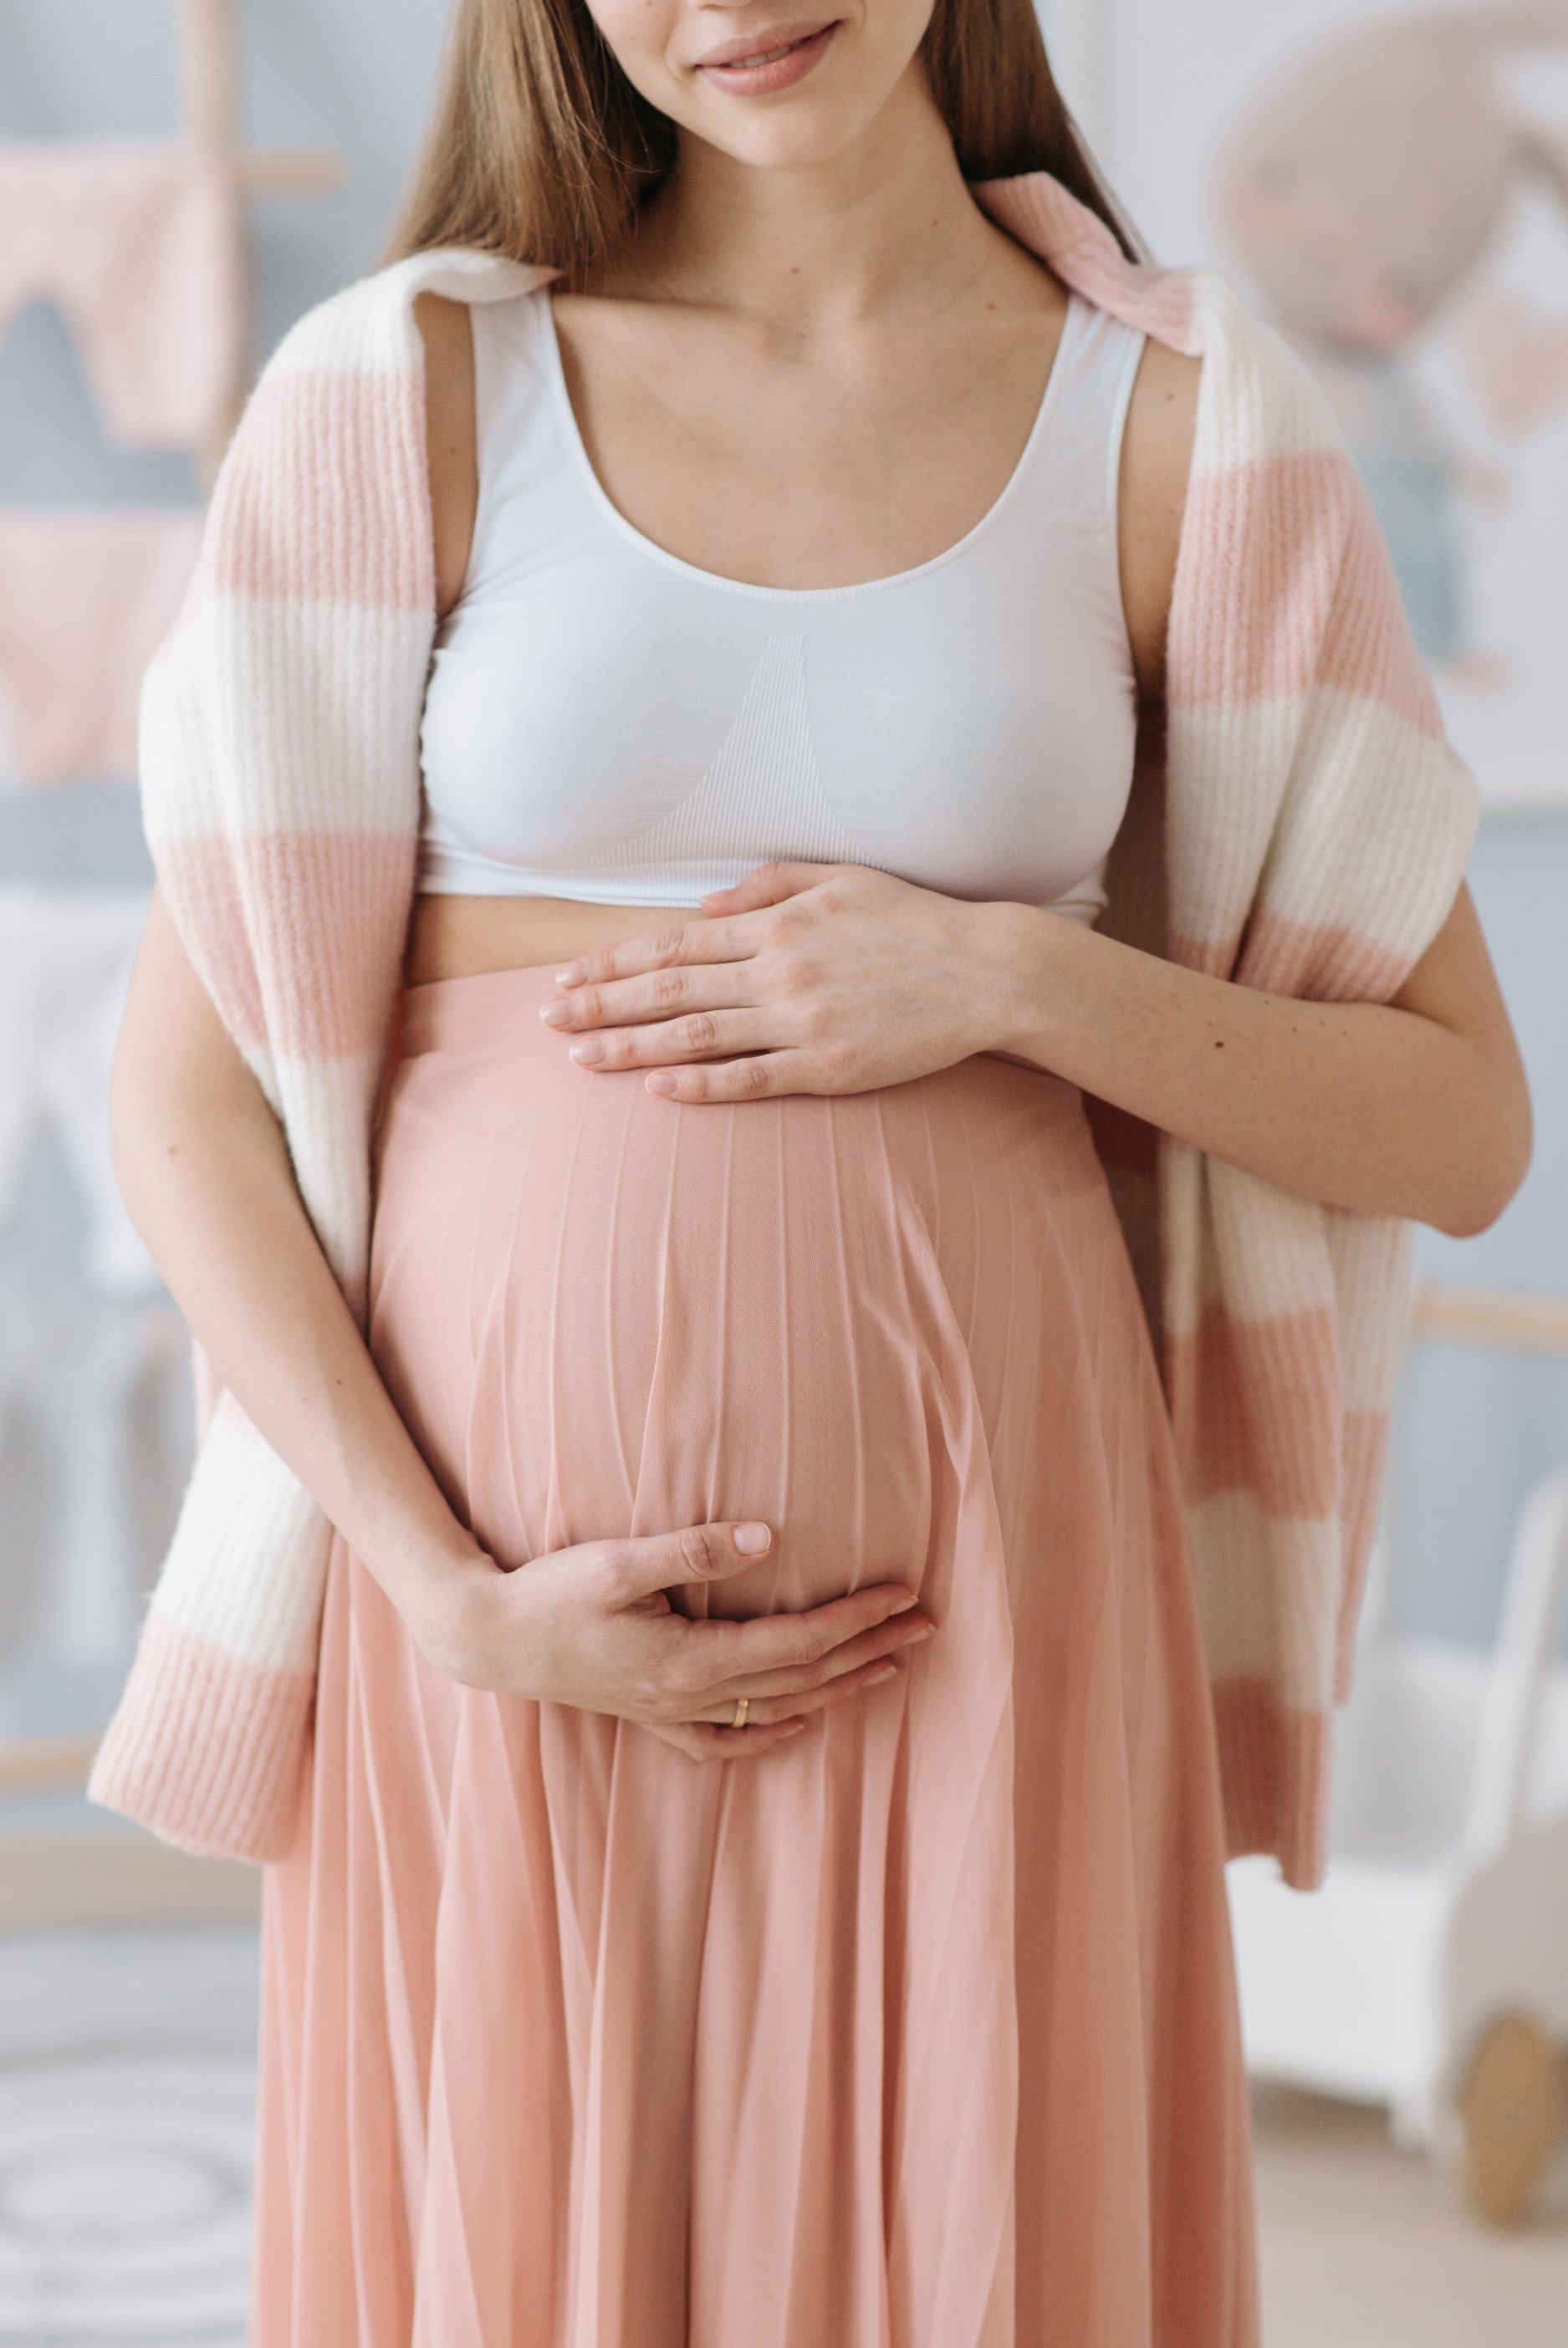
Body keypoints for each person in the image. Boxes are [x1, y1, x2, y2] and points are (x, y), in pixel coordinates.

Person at [104, 0, 1530, 2340]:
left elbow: (1461, 1122)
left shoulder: (1178, 421)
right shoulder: (406, 399)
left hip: (999, 1598)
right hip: (487, 1610)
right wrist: (438, 1588)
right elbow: (186, 1100)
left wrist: (1008, 984)